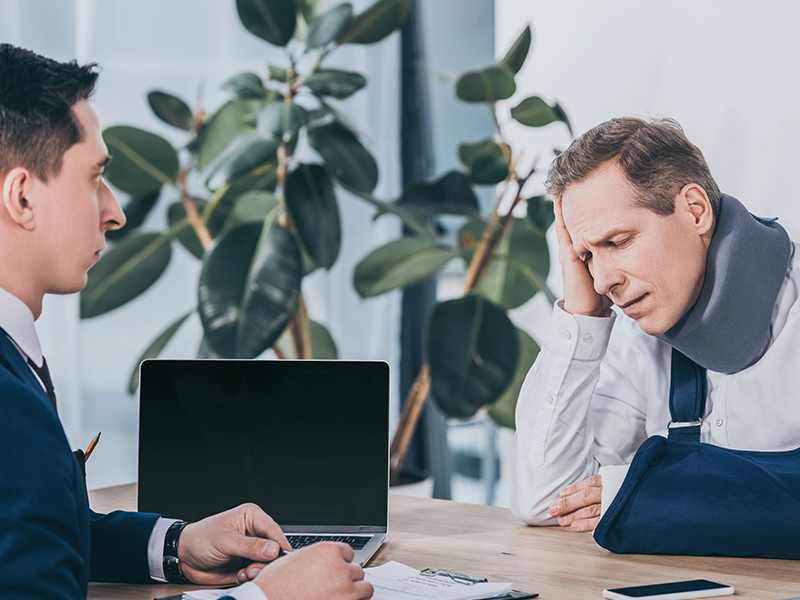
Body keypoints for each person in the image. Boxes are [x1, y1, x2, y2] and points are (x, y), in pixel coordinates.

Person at [0, 44, 373, 600]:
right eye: (95, 177)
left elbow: (31, 530)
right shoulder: (8, 403)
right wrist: (265, 597)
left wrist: (176, 544)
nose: (115, 212)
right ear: (22, 198)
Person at [511, 116, 800, 533]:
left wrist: (654, 496)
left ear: (695, 210)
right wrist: (582, 315)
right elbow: (548, 500)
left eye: (618, 241)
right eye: (587, 256)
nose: (602, 281)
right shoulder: (637, 338)